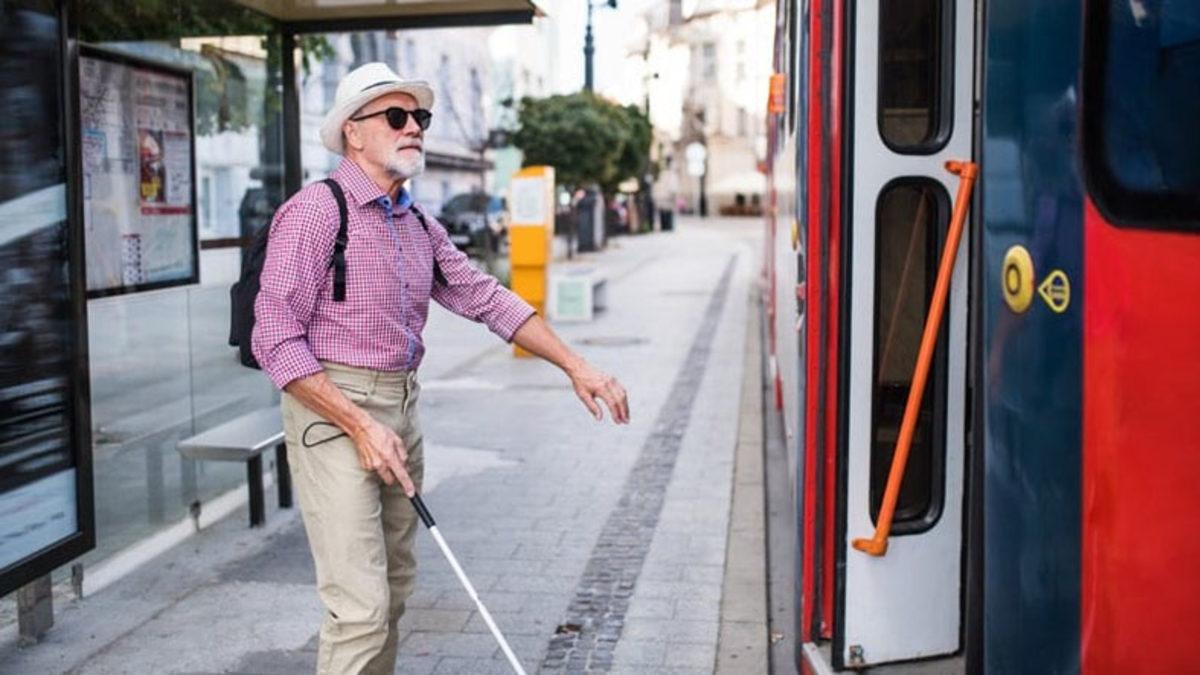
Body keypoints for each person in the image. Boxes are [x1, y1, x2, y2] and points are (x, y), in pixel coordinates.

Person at [251, 62, 629, 674]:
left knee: (394, 590)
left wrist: (574, 365)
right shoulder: (316, 213)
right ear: (353, 132)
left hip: (400, 408)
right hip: (332, 412)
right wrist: (357, 424)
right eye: (396, 117)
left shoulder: (414, 221)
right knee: (361, 606)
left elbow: (485, 296)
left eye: (419, 118)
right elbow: (275, 338)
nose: (414, 129)